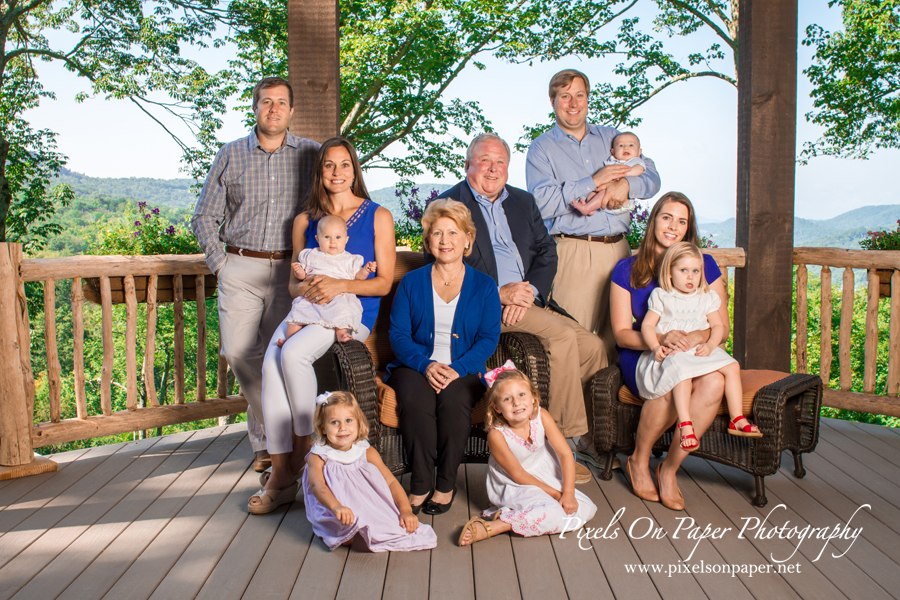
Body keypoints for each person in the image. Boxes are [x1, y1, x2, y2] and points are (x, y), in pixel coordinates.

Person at [434, 133, 606, 484]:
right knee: (560, 336)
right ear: (468, 165)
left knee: (593, 347)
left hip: (528, 300)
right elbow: (442, 268)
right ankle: (562, 449)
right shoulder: (448, 204)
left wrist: (529, 291)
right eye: (484, 161)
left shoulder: (523, 202)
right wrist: (499, 294)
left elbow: (547, 252)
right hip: (480, 306)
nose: (493, 169)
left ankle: (585, 438)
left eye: (500, 162)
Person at [248, 137, 396, 514]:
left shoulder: (378, 216)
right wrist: (311, 288)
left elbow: (382, 282)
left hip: (351, 314)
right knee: (270, 362)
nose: (336, 172)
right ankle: (283, 472)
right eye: (329, 165)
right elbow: (293, 284)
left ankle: (303, 451)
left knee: (294, 354)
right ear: (320, 171)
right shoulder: (304, 220)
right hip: (307, 307)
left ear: (354, 169)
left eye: (344, 164)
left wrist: (340, 285)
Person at [192, 76, 320, 472]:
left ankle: (267, 448)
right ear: (254, 108)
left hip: (290, 269)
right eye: (266, 102)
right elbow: (203, 216)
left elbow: (336, 199)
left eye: (281, 102)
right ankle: (278, 437)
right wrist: (221, 264)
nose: (274, 109)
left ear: (291, 110)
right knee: (239, 353)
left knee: (279, 356)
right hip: (240, 266)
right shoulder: (230, 154)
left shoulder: (312, 154)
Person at [525, 69, 661, 364]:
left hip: (620, 252)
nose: (573, 103)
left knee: (621, 342)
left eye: (579, 95)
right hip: (574, 251)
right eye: (565, 96)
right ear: (553, 101)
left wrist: (627, 184)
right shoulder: (541, 149)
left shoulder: (614, 137)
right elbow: (541, 205)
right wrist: (594, 180)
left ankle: (609, 409)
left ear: (588, 99)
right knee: (576, 343)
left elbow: (652, 177)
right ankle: (575, 412)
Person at [610, 192, 727, 511]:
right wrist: (661, 339)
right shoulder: (627, 269)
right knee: (668, 378)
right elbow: (622, 334)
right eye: (666, 217)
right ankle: (639, 458)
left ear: (689, 229)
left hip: (693, 349)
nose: (673, 226)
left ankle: (670, 468)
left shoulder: (704, 264)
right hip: (643, 352)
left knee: (715, 382)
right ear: (653, 220)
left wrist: (691, 338)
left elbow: (720, 327)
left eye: (682, 221)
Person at [387, 199, 501, 516]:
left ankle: (445, 483)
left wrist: (458, 368)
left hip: (464, 366)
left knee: (454, 402)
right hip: (415, 364)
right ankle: (421, 483)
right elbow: (398, 335)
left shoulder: (485, 286)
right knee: (415, 401)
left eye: (453, 232)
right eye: (437, 233)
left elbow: (488, 338)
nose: (445, 240)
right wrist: (426, 365)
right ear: (428, 240)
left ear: (467, 240)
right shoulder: (410, 282)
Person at [637, 242, 761, 452]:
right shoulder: (662, 297)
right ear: (669, 274)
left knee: (732, 367)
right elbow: (647, 326)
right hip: (674, 353)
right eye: (683, 270)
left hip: (700, 349)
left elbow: (718, 326)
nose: (690, 277)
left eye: (695, 271)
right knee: (682, 373)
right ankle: (686, 424)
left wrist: (712, 344)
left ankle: (737, 417)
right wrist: (655, 346)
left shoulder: (706, 297)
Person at [458, 365, 597, 546]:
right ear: (497, 407)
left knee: (586, 508)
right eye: (507, 399)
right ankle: (497, 526)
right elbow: (519, 475)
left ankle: (510, 516)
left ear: (533, 398)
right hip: (515, 483)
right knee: (555, 510)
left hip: (545, 473)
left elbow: (564, 454)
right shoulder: (496, 435)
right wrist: (557, 495)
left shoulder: (542, 416)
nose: (517, 403)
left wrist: (568, 493)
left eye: (522, 395)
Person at [301, 391, 438, 551]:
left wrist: (406, 510)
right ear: (323, 428)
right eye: (334, 422)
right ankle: (347, 528)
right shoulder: (319, 455)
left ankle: (370, 525)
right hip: (334, 505)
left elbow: (391, 482)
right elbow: (318, 487)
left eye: (348, 420)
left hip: (367, 503)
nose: (342, 428)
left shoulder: (366, 451)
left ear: (358, 423)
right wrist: (337, 507)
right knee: (346, 535)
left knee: (392, 526)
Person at [278, 215, 377, 346]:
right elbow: (302, 276)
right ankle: (289, 339)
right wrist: (299, 271)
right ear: (317, 239)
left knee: (344, 310)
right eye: (327, 237)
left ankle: (341, 333)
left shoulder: (349, 259)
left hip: (337, 296)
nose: (332, 242)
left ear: (346, 240)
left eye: (338, 237)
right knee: (297, 315)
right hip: (311, 297)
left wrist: (366, 270)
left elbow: (358, 277)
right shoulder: (311, 255)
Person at [579, 132, 648, 216]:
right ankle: (591, 208)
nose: (626, 147)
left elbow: (639, 169)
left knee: (604, 192)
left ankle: (587, 208)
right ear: (613, 151)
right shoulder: (612, 162)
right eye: (621, 145)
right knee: (593, 193)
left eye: (631, 145)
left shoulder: (635, 161)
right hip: (606, 200)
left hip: (621, 200)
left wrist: (624, 174)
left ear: (639, 152)